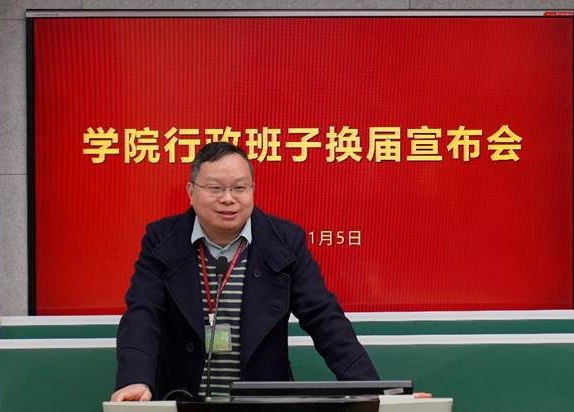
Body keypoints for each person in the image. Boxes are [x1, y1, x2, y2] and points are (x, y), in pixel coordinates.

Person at [111, 142, 379, 402]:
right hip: (183, 399)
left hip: (262, 402)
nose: (228, 199)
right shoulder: (162, 240)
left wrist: (371, 390)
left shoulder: (285, 242)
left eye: (239, 188)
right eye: (215, 188)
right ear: (191, 192)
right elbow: (143, 312)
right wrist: (134, 379)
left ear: (252, 190)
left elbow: (324, 318)